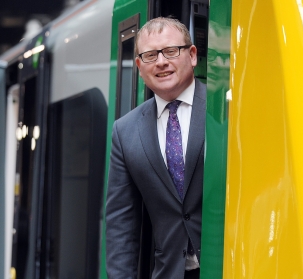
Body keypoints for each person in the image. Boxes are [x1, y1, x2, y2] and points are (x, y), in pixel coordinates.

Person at [105, 17, 206, 279]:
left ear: (192, 55)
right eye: (150, 55)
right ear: (139, 66)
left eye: (171, 51)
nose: (161, 61)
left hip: (228, 267)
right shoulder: (124, 131)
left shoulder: (227, 109)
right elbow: (121, 223)